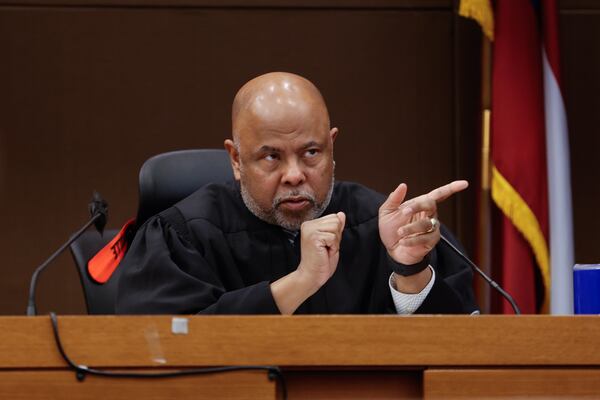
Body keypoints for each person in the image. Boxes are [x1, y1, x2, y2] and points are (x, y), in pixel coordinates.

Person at [116, 72, 478, 315]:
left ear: (332, 147)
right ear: (236, 159)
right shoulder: (183, 236)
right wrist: (301, 282)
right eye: (271, 156)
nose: (294, 175)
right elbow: (162, 348)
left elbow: (464, 351)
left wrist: (410, 269)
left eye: (311, 153)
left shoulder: (386, 227)